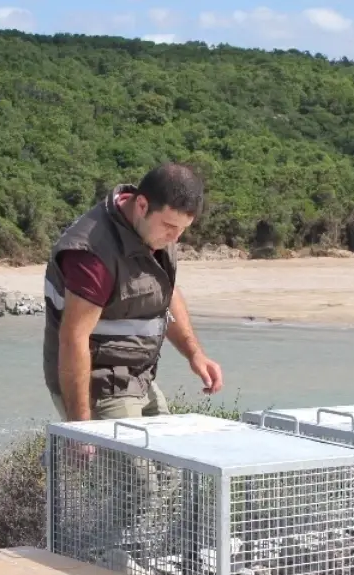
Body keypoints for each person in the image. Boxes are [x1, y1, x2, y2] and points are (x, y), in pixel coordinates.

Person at [42, 162, 224, 422]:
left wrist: (194, 354)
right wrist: (81, 428)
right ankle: (65, 456)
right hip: (98, 384)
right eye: (170, 226)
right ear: (141, 206)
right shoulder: (92, 256)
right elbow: (73, 340)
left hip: (139, 377)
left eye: (183, 229)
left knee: (169, 458)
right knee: (129, 463)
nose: (175, 238)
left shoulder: (153, 233)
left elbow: (165, 293)